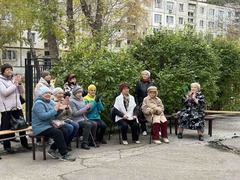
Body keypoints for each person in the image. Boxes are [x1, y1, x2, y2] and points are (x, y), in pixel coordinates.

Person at [32, 86, 76, 161]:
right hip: (40, 127)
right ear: (41, 94)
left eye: (49, 93)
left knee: (65, 131)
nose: (48, 94)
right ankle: (64, 155)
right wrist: (55, 109)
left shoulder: (50, 102)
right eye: (46, 93)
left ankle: (52, 150)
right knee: (58, 133)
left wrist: (60, 109)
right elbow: (43, 117)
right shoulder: (38, 103)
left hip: (48, 125)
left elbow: (54, 115)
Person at [0, 63, 31, 153]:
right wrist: (14, 85)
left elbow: (22, 91)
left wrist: (19, 83)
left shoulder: (14, 80)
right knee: (6, 127)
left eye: (10, 69)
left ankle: (24, 143)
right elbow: (5, 92)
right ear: (3, 72)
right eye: (7, 70)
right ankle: (7, 146)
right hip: (7, 108)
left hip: (17, 106)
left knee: (22, 125)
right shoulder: (1, 81)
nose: (9, 71)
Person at [69, 85, 98, 150]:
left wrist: (89, 108)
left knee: (94, 124)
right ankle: (84, 143)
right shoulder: (71, 101)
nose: (80, 94)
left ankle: (91, 141)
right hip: (75, 119)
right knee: (88, 124)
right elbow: (75, 113)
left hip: (83, 118)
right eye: (78, 93)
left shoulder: (82, 99)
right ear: (74, 93)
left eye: (80, 93)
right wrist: (86, 108)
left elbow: (85, 111)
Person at [134, 70, 154, 136]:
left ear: (149, 76)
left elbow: (155, 93)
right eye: (143, 74)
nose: (144, 76)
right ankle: (144, 129)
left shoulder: (152, 83)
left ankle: (156, 129)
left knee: (155, 112)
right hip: (141, 102)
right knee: (142, 112)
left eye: (146, 74)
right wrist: (137, 103)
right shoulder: (139, 83)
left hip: (151, 102)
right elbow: (136, 94)